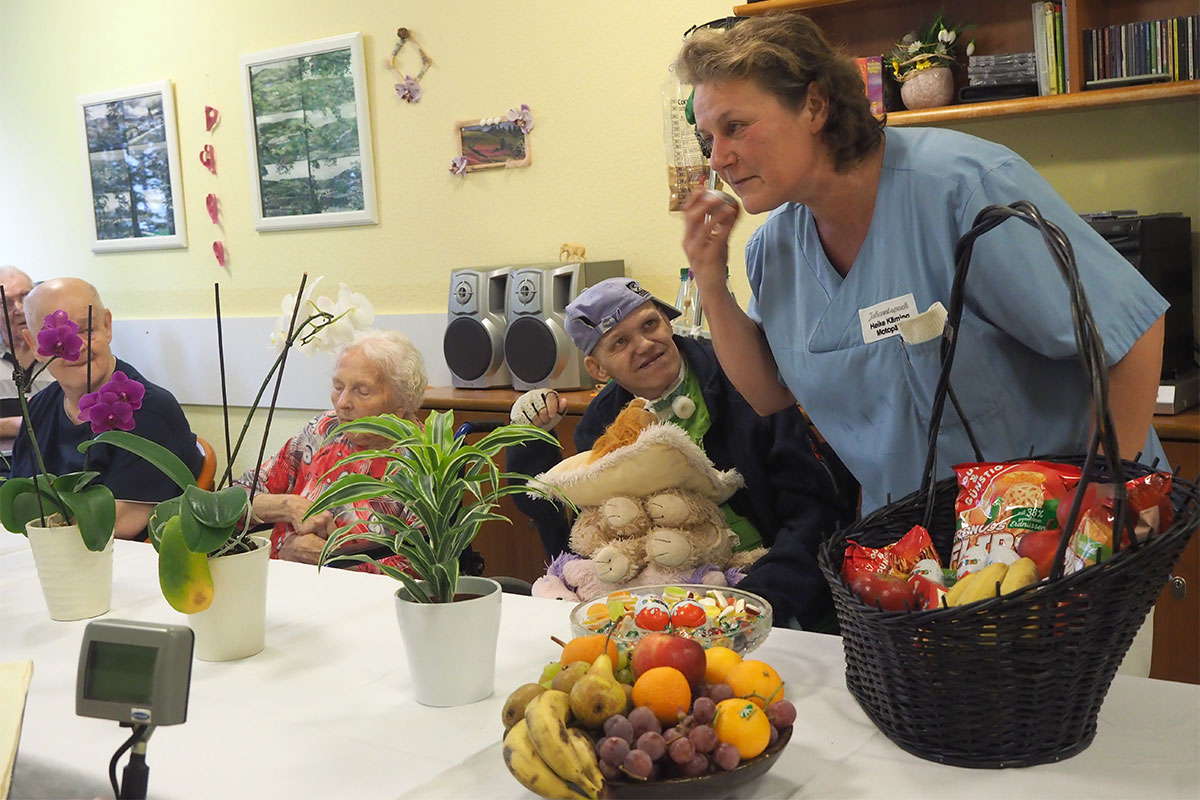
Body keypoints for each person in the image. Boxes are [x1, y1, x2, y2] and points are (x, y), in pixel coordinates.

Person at [675, 14, 1168, 514]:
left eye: (735, 127)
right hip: (919, 545)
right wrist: (711, 281)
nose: (718, 159)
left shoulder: (963, 189)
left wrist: (1104, 498)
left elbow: (1131, 334)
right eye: (708, 138)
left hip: (1065, 522)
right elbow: (769, 395)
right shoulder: (774, 250)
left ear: (815, 105)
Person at [507, 277, 856, 631]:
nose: (645, 345)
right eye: (621, 342)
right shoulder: (600, 422)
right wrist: (530, 438)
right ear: (597, 369)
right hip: (652, 604)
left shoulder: (747, 384)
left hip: (763, 592)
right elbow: (584, 525)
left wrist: (757, 601)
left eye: (650, 324)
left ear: (668, 321)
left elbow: (815, 514)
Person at [11, 278, 202, 539]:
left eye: (86, 330)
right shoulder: (38, 409)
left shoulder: (148, 410)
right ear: (34, 345)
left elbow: (118, 523)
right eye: (59, 338)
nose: (76, 348)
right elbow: (17, 503)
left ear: (107, 326)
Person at [235, 330, 427, 567]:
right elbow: (233, 500)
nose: (343, 402)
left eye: (362, 391)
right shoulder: (323, 430)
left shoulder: (422, 461)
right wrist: (289, 507)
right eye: (338, 387)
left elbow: (419, 569)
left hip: (364, 598)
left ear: (401, 402)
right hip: (284, 584)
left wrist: (331, 558)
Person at [0, 267, 54, 446]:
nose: (20, 309)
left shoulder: (62, 355)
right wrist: (18, 424)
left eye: (26, 297)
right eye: (5, 303)